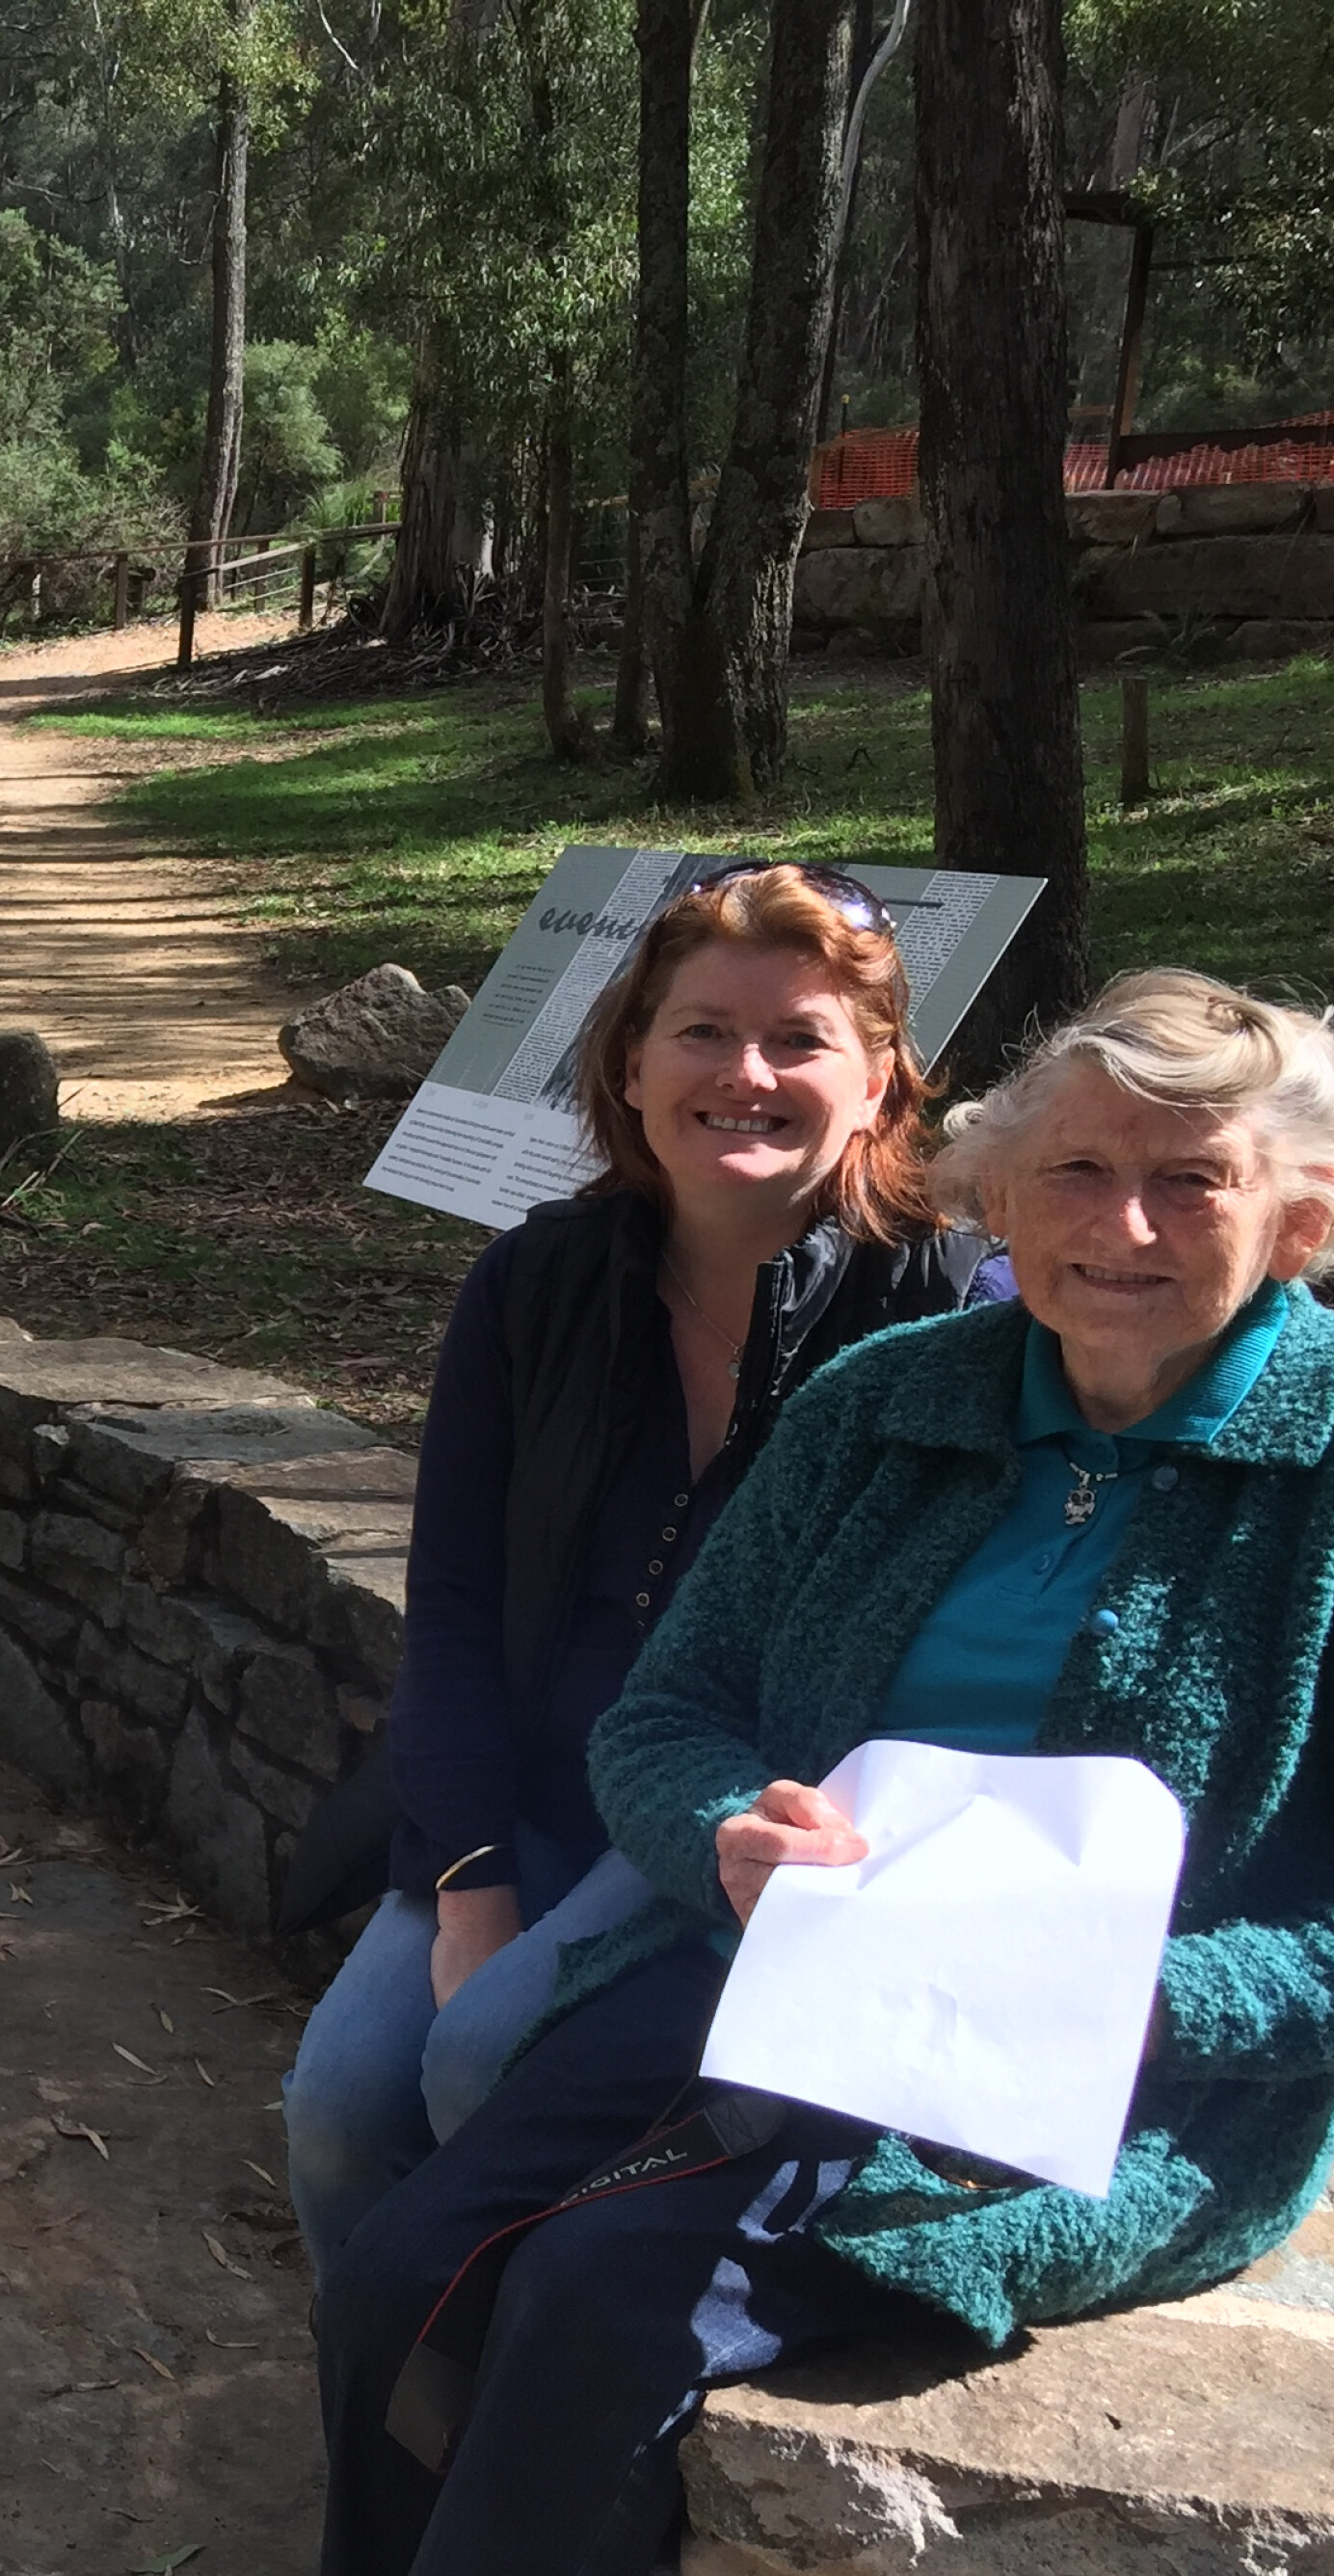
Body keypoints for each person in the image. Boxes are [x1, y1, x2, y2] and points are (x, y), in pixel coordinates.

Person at [236, 974, 1334, 2576]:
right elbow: (664, 1720)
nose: (1124, 1227)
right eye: (1073, 1173)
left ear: (1305, 1211)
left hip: (1103, 2079)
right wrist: (722, 1831)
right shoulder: (882, 1406)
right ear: (994, 1199)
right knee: (402, 2271)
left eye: (1191, 1180)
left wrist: (1144, 1992)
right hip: (769, 1976)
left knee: (594, 2294)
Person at [281, 864, 1000, 2281]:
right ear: (628, 1061)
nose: (747, 1074)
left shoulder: (951, 1317)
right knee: (339, 2107)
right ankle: (378, 2419)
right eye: (702, 1032)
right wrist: (472, 1881)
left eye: (799, 1040)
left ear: (879, 1086)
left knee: (484, 2062)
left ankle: (502, 2431)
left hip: (743, 1821)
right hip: (526, 1804)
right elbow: (460, 1614)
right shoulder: (533, 1285)